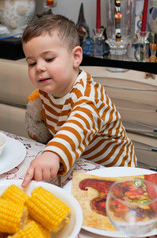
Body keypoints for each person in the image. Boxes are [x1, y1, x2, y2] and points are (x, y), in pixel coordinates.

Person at [21, 14, 136, 187]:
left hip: (117, 176)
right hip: (81, 168)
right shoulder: (45, 93)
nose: (39, 67)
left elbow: (77, 126)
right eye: (31, 63)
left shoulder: (90, 95)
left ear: (76, 57)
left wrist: (53, 153)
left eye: (49, 59)